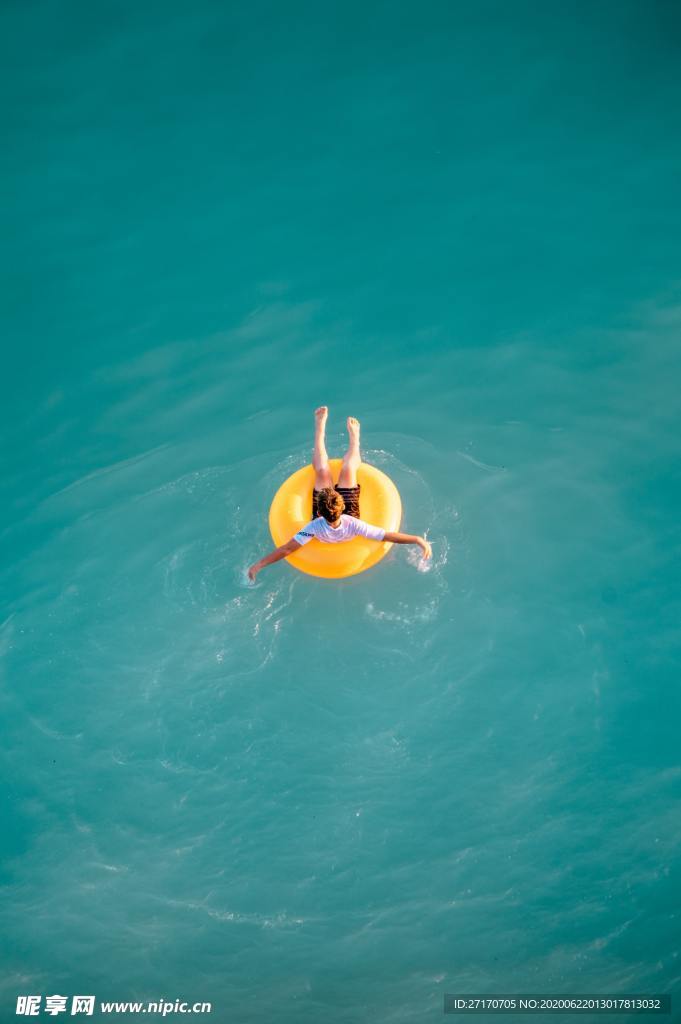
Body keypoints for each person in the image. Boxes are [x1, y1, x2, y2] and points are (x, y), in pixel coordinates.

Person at [248, 407, 432, 581]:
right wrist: (417, 539)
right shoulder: (354, 523)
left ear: (318, 508)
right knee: (348, 469)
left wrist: (259, 565)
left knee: (322, 471)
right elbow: (386, 535)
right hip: (347, 516)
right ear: (342, 504)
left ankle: (320, 428)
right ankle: (354, 439)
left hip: (330, 516)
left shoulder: (313, 527)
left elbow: (287, 549)